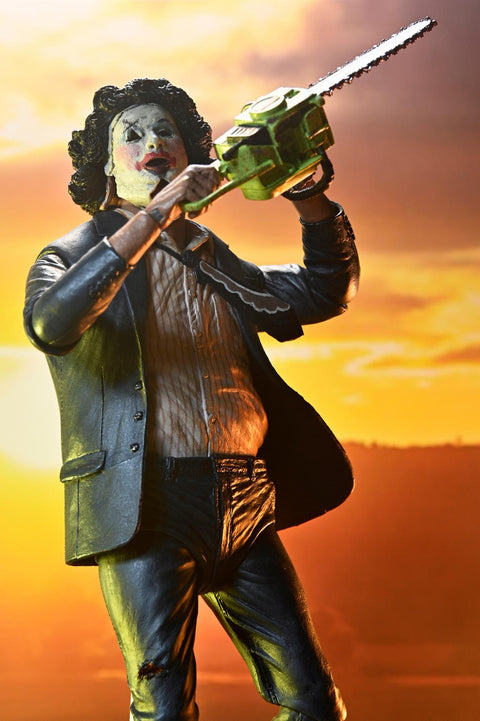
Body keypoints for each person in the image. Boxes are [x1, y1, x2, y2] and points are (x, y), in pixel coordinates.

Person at [24, 78, 359, 721]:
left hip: (245, 496)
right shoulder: (70, 255)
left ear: (191, 154)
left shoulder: (213, 257)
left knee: (314, 700)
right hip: (147, 504)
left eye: (166, 131)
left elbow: (324, 292)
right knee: (163, 706)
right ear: (107, 171)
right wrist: (156, 215)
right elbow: (51, 323)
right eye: (132, 135)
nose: (153, 141)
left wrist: (309, 194)